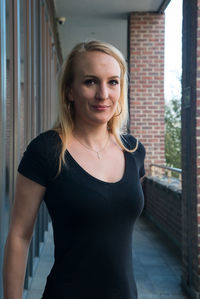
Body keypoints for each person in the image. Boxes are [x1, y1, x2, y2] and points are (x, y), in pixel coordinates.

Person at [3, 40, 146, 299]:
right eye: (90, 81)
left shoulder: (134, 152)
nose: (103, 94)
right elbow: (19, 236)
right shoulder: (46, 150)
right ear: (70, 90)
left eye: (113, 82)